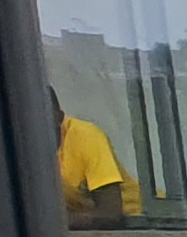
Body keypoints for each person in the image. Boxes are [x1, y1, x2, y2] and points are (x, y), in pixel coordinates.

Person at [52, 93, 135, 226]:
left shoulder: (86, 136)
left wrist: (51, 222)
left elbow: (110, 213)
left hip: (140, 221)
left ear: (59, 117)